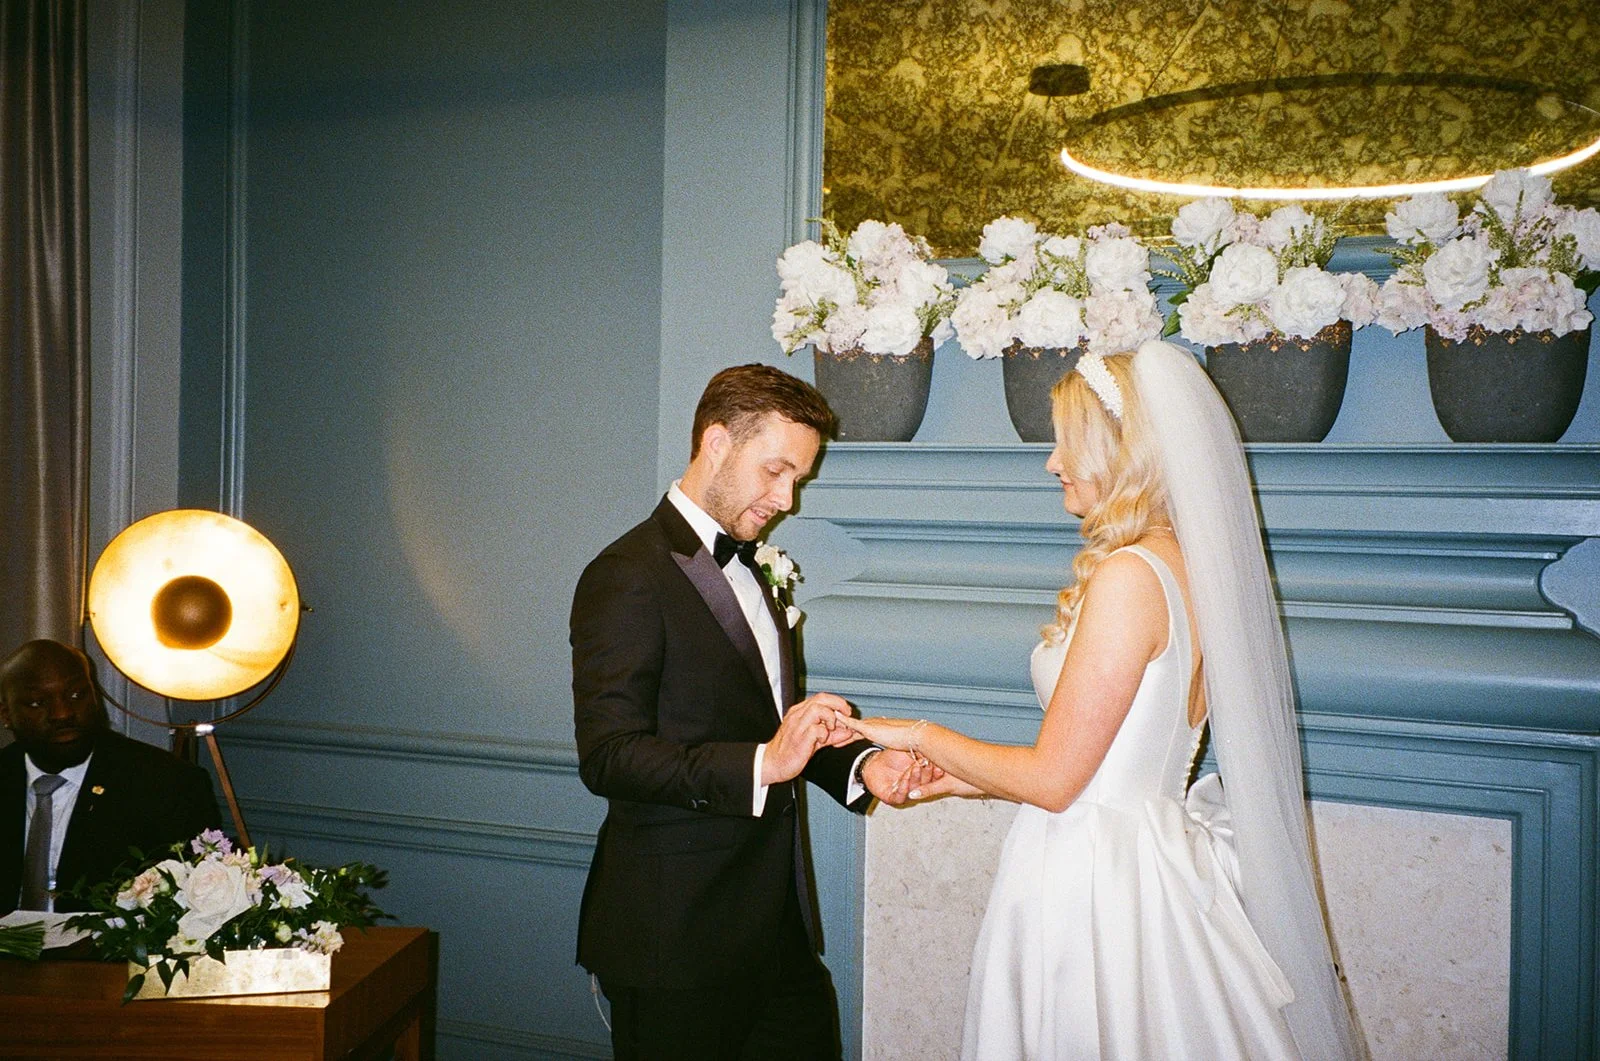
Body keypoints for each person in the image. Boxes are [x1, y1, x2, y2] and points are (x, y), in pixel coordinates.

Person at [836, 341, 1365, 1060]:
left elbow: (1056, 782)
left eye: (1065, 444)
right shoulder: (1189, 566)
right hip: (1145, 863)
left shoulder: (1129, 577)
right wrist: (955, 781)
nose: (1053, 463)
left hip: (1095, 886)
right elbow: (1106, 764)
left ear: (1121, 451)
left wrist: (920, 733)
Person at [570, 363, 931, 1060]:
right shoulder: (625, 574)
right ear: (715, 443)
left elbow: (768, 719)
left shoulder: (756, 566)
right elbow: (609, 754)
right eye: (775, 471)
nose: (787, 497)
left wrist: (863, 766)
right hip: (672, 944)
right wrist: (766, 762)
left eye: (796, 477)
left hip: (775, 934)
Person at [0, 639, 221, 916]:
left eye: (77, 695)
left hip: (106, 956)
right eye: (37, 703)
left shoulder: (165, 784)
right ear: (6, 714)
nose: (62, 713)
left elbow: (191, 910)